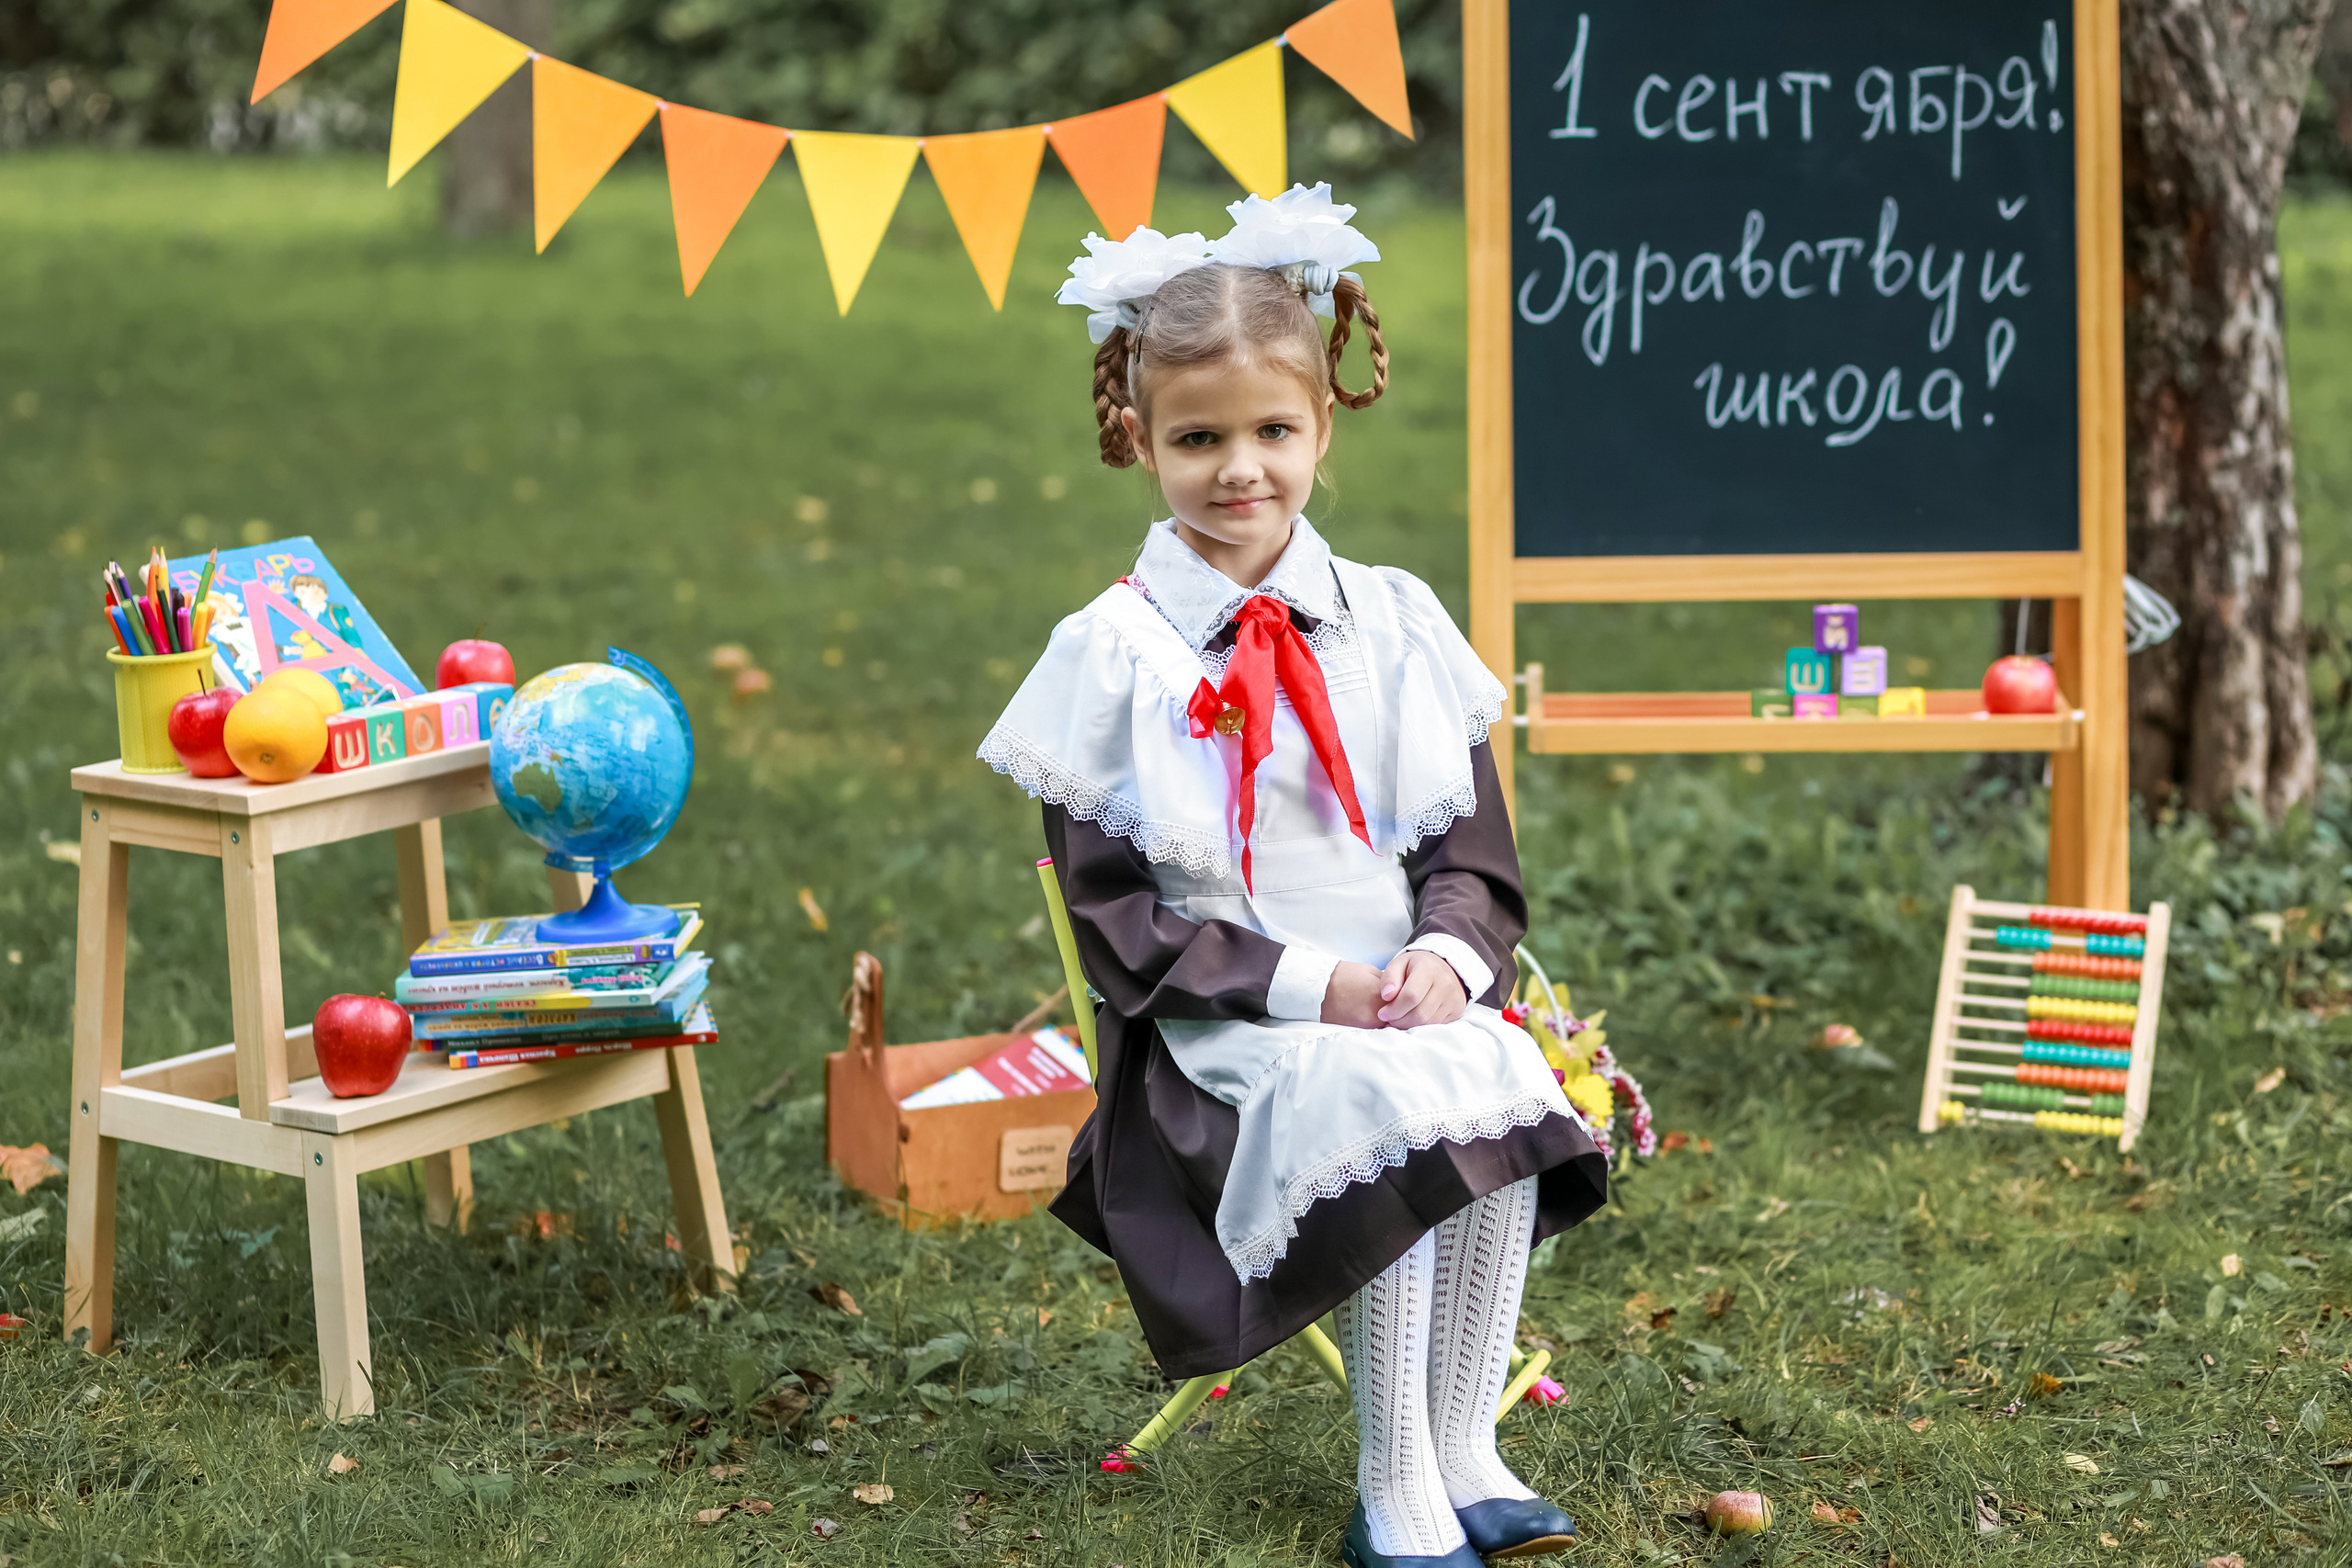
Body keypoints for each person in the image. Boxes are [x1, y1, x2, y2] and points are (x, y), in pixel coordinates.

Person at [979, 186, 1607, 1568]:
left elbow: (1469, 856)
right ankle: (1396, 1484)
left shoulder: (1391, 621)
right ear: (1138, 437)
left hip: (1404, 998)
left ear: (1324, 423)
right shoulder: (1114, 656)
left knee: (1494, 1072)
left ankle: (1464, 1446)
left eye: (1273, 431)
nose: (1239, 470)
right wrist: (1317, 984)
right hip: (1222, 1039)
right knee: (1373, 1087)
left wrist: (1446, 957)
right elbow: (1119, 925)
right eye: (1199, 438)